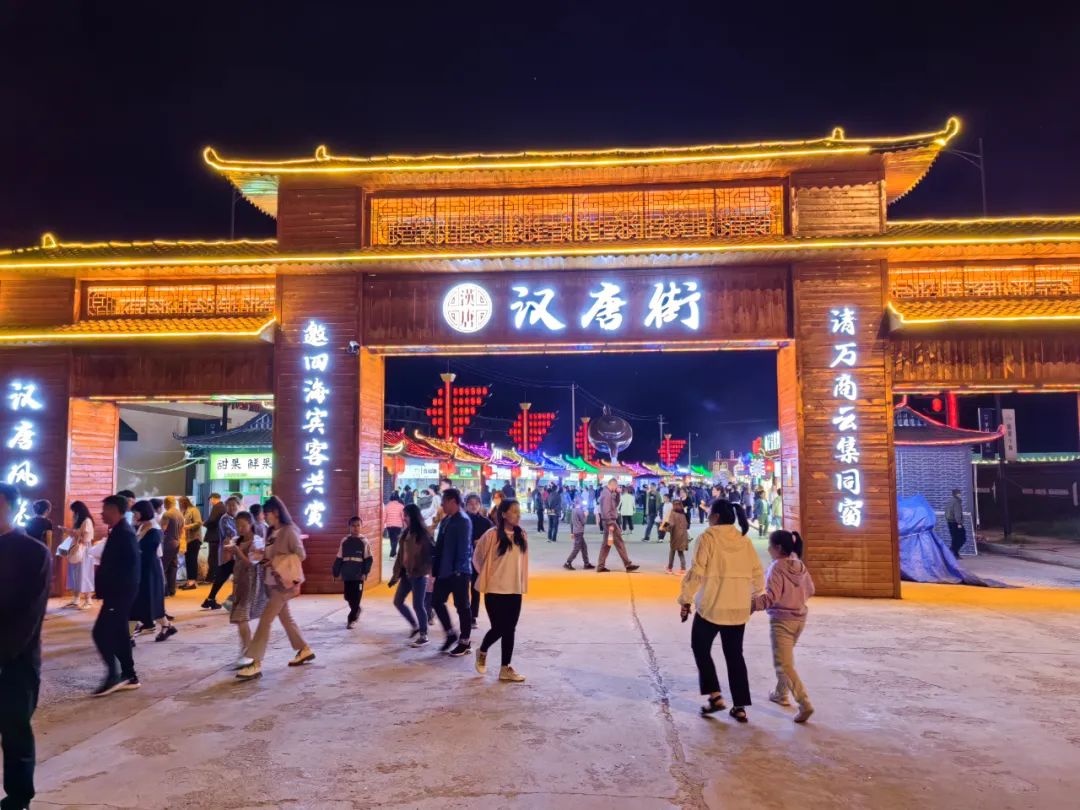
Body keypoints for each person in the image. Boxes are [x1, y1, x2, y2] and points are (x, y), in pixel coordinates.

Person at [678, 499, 764, 723]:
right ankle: (740, 706)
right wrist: (755, 597)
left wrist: (685, 600)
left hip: (712, 606)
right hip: (738, 608)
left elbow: (697, 572)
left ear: (715, 517)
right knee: (735, 655)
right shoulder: (744, 541)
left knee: (700, 647)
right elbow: (757, 572)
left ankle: (715, 696)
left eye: (709, 514)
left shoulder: (707, 538)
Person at [0, 483, 51, 810]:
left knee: (15, 731)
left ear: (13, 508)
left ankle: (18, 799)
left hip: (16, 661)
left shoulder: (33, 553)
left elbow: (29, 615)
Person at [236, 496, 315, 680]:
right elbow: (271, 553)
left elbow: (301, 554)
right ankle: (304, 649)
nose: (264, 516)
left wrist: (276, 561)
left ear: (276, 512)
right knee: (286, 618)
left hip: (283, 584)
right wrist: (263, 556)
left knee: (265, 621)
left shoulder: (289, 531)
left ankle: (255, 662)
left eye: (267, 513)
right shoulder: (271, 531)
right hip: (272, 582)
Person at [752, 529, 815, 723]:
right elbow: (811, 589)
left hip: (782, 621)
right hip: (800, 620)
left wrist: (751, 605)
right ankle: (781, 694)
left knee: (784, 664)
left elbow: (771, 597)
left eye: (770, 546)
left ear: (778, 548)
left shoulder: (777, 568)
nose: (768, 550)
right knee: (785, 659)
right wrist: (795, 599)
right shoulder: (800, 565)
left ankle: (804, 702)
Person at [472, 498, 529, 683]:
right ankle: (482, 651)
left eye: (519, 512)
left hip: (514, 589)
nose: (518, 515)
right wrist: (487, 576)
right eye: (514, 511)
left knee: (510, 629)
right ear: (503, 514)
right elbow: (477, 557)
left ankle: (505, 668)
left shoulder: (522, 535)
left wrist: (520, 582)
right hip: (494, 590)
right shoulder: (491, 535)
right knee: (499, 628)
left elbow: (523, 562)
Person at [91, 495, 141, 697]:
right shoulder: (119, 531)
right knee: (119, 634)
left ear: (114, 510)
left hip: (119, 594)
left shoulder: (124, 533)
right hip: (117, 594)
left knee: (100, 633)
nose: (101, 513)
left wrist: (117, 594)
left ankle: (114, 675)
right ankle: (129, 675)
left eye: (105, 509)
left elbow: (130, 568)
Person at [431, 489, 474, 657]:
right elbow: (440, 546)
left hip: (459, 572)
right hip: (444, 570)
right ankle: (450, 634)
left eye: (444, 501)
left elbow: (464, 549)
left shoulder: (463, 521)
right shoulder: (446, 520)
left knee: (462, 606)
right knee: (436, 601)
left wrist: (458, 570)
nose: (442, 504)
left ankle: (465, 641)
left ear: (453, 501)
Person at [129, 500, 176, 643]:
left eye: (136, 513)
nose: (134, 516)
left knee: (145, 603)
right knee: (144, 603)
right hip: (141, 569)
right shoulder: (142, 526)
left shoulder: (154, 529)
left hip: (149, 571)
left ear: (143, 512)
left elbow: (146, 552)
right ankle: (166, 626)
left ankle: (130, 636)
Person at [388, 503, 433, 646]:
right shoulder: (405, 533)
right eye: (404, 515)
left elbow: (432, 555)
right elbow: (400, 556)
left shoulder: (423, 535)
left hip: (419, 575)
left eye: (406, 515)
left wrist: (425, 570)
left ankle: (424, 635)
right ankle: (415, 626)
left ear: (413, 516)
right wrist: (395, 576)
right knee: (398, 601)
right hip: (406, 574)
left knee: (418, 605)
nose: (404, 518)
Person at [228, 511, 266, 669]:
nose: (240, 529)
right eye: (237, 525)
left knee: (241, 617)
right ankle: (245, 649)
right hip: (239, 582)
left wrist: (237, 551)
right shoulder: (237, 540)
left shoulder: (257, 541)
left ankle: (248, 651)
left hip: (250, 583)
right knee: (239, 619)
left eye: (243, 525)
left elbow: (251, 563)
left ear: (251, 524)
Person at [333, 516, 373, 629]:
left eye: (358, 525)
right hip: (347, 575)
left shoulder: (364, 542)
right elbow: (339, 557)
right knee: (348, 596)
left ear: (361, 526)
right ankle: (357, 610)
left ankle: (351, 619)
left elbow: (369, 559)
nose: (356, 528)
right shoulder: (345, 541)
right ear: (349, 527)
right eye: (353, 526)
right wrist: (336, 572)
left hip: (358, 576)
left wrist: (365, 572)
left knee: (356, 598)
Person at [204, 496, 240, 610]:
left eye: (234, 505)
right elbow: (232, 533)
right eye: (229, 505)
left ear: (239, 506)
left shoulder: (237, 518)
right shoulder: (225, 519)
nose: (231, 507)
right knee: (225, 576)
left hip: (234, 552)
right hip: (227, 553)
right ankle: (230, 602)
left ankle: (211, 600)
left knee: (226, 576)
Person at [596, 478, 639, 573]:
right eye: (616, 486)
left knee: (607, 545)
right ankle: (627, 564)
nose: (617, 488)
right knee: (619, 543)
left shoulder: (608, 493)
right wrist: (610, 523)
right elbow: (606, 510)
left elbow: (615, 505)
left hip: (609, 521)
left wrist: (618, 494)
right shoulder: (607, 494)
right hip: (610, 521)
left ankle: (601, 566)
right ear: (613, 485)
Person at [464, 493, 493, 629]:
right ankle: (465, 614)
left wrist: (481, 543)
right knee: (463, 589)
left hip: (478, 560)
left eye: (476, 503)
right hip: (463, 560)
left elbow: (493, 540)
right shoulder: (461, 521)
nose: (473, 506)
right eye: (470, 503)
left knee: (475, 589)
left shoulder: (486, 522)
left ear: (480, 505)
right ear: (466, 505)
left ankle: (473, 616)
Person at [60, 501, 96, 609]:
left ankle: (88, 600)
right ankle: (76, 599)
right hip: (77, 548)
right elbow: (78, 534)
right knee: (75, 574)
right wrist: (70, 531)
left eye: (74, 511)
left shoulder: (87, 521)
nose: (74, 513)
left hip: (84, 549)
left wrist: (70, 532)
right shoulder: (80, 520)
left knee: (84, 574)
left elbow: (86, 538)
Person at [160, 496, 184, 597]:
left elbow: (163, 529)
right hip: (177, 542)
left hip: (167, 543)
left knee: (163, 567)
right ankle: (172, 590)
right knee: (173, 566)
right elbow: (182, 530)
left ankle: (164, 591)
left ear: (166, 503)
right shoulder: (180, 514)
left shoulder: (167, 514)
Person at [178, 496, 202, 590]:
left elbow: (198, 523)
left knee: (192, 560)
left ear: (185, 502)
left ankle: (192, 582)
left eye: (180, 502)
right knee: (188, 560)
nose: (179, 504)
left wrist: (187, 527)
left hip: (194, 538)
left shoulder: (194, 510)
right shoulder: (183, 512)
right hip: (186, 540)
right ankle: (189, 581)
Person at [564, 496, 594, 570]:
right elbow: (583, 522)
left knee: (584, 547)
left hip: (576, 531)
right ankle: (568, 562)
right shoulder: (579, 511)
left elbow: (571, 522)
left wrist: (572, 532)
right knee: (576, 548)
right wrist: (586, 515)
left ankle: (586, 563)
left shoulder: (573, 510)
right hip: (579, 532)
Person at [202, 493, 226, 586]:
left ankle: (210, 578)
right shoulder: (223, 507)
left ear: (214, 498)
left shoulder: (217, 507)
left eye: (210, 499)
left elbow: (212, 520)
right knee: (216, 557)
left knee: (212, 558)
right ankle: (215, 576)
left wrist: (204, 523)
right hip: (219, 536)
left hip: (214, 535)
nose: (210, 502)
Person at [663, 500, 690, 574]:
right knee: (680, 552)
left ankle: (669, 568)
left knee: (672, 551)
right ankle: (683, 568)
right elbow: (686, 524)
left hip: (676, 535)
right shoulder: (683, 514)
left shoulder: (673, 513)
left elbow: (671, 524)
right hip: (683, 535)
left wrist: (664, 527)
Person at [946, 488, 966, 557]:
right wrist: (959, 523)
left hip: (950, 522)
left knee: (955, 538)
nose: (960, 494)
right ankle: (953, 551)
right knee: (962, 538)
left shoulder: (950, 501)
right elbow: (957, 513)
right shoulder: (956, 502)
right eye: (959, 493)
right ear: (956, 494)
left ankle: (954, 553)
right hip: (956, 522)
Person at [384, 492, 405, 558]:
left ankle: (393, 553)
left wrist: (383, 524)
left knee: (392, 539)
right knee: (396, 539)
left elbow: (384, 516)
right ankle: (392, 554)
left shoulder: (387, 506)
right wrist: (404, 524)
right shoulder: (401, 506)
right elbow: (403, 517)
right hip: (398, 525)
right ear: (398, 498)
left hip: (389, 525)